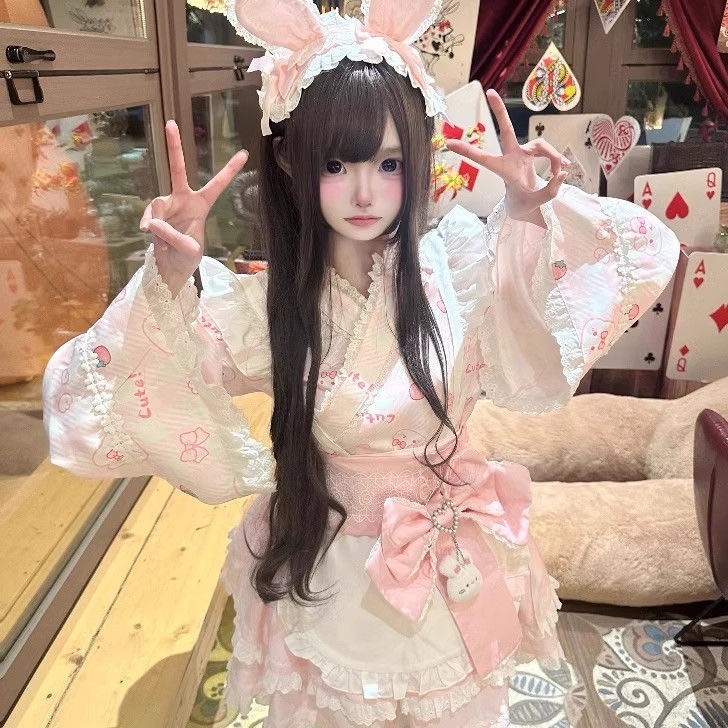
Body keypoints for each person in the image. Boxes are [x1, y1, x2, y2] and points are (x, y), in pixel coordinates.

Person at [42, 1, 680, 725]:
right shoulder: (271, 307)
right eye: (336, 164)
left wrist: (530, 217)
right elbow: (110, 387)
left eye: (389, 162)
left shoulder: (460, 266)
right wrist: (168, 280)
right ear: (290, 160)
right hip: (329, 556)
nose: (366, 191)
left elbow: (625, 264)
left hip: (452, 552)